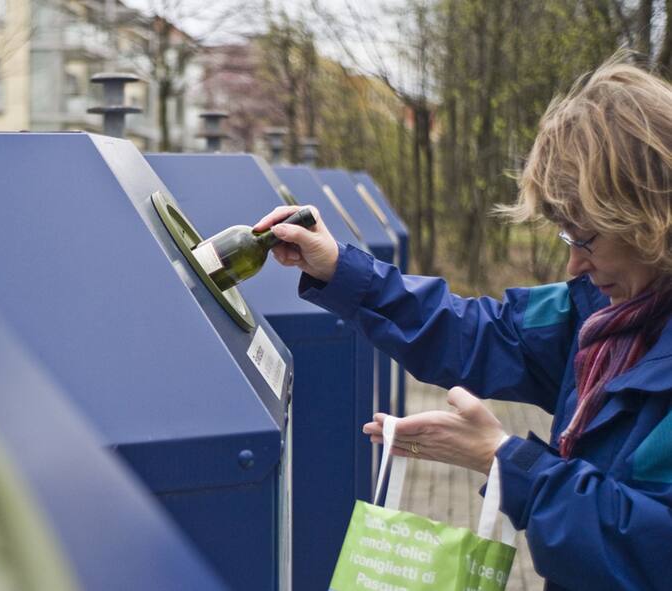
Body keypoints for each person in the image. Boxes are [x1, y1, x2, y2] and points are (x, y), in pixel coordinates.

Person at [255, 55, 672, 591]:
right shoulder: (602, 312)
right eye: (567, 237)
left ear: (648, 218)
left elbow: (650, 548)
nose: (574, 265)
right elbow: (485, 332)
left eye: (586, 238)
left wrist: (506, 459)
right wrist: (341, 269)